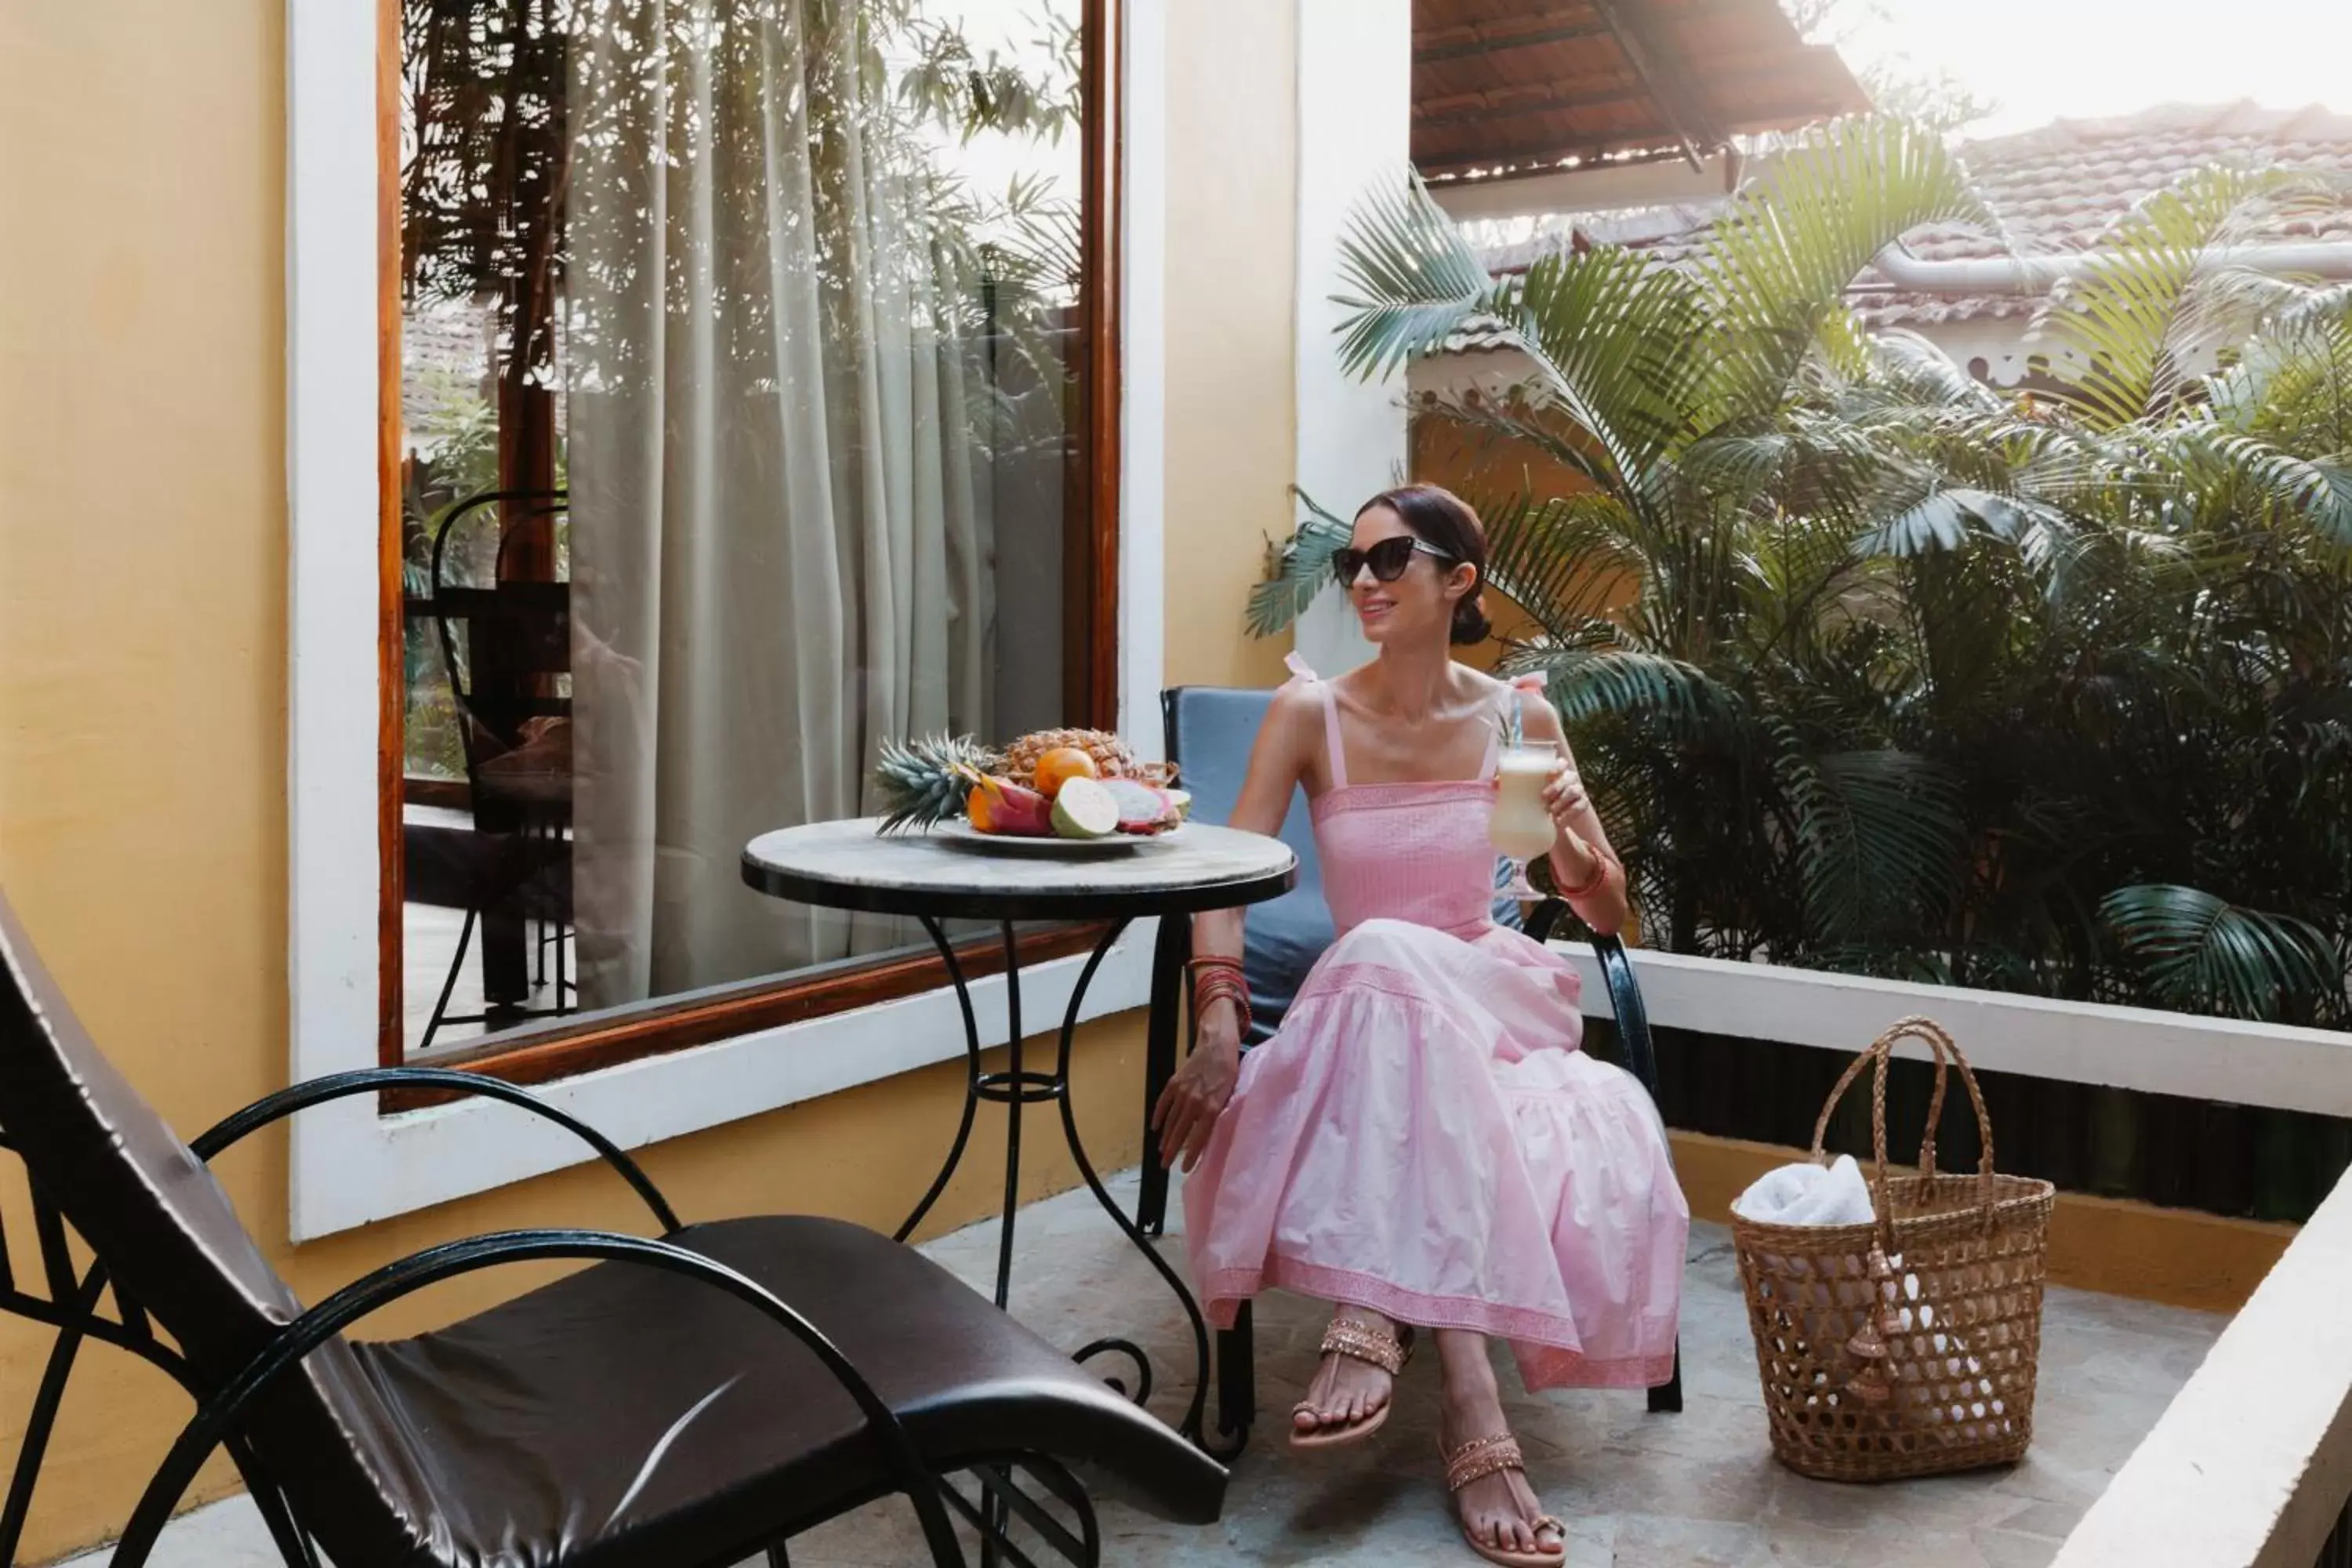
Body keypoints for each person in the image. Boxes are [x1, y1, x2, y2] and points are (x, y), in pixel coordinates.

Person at [1152, 484, 1688, 1567]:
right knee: (1380, 953)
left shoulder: (1516, 717)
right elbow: (1222, 878)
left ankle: (1378, 1315)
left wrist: (1580, 841)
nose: (1363, 581)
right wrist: (1219, 1024)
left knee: (1387, 947)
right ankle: (1472, 1399)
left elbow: (1595, 906)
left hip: (1496, 991)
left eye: (1390, 558)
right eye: (1353, 564)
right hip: (1374, 1015)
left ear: (1459, 579)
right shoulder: (1309, 713)